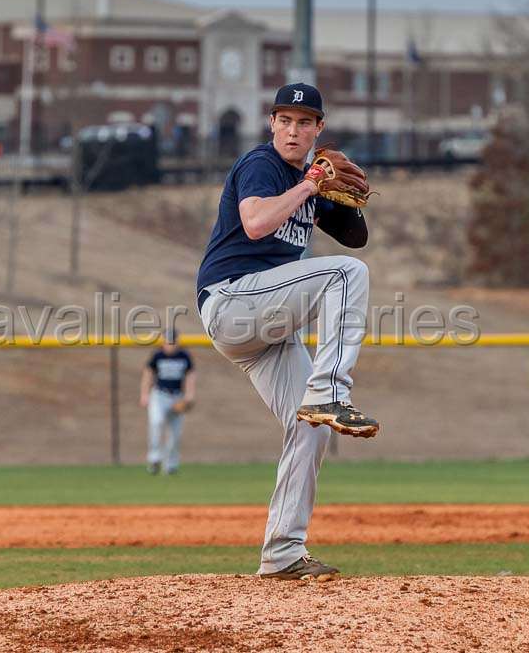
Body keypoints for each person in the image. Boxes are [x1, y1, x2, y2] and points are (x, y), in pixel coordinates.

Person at [195, 83, 375, 581]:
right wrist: (309, 188)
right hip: (232, 298)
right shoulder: (263, 165)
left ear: (319, 129)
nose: (293, 131)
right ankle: (331, 390)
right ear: (272, 123)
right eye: (285, 120)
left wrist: (340, 198)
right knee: (344, 276)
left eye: (305, 122)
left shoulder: (312, 177)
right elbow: (254, 223)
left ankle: (281, 553)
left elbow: (357, 238)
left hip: (263, 326)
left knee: (310, 427)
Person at [140, 330, 195, 475]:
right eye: (167, 341)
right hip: (159, 395)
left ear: (178, 342)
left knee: (175, 434)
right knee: (156, 423)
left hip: (177, 397)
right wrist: (144, 394)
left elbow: (190, 376)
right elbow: (148, 374)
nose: (170, 345)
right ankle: (154, 458)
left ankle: (170, 465)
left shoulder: (184, 356)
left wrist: (189, 396)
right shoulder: (158, 355)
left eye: (173, 341)